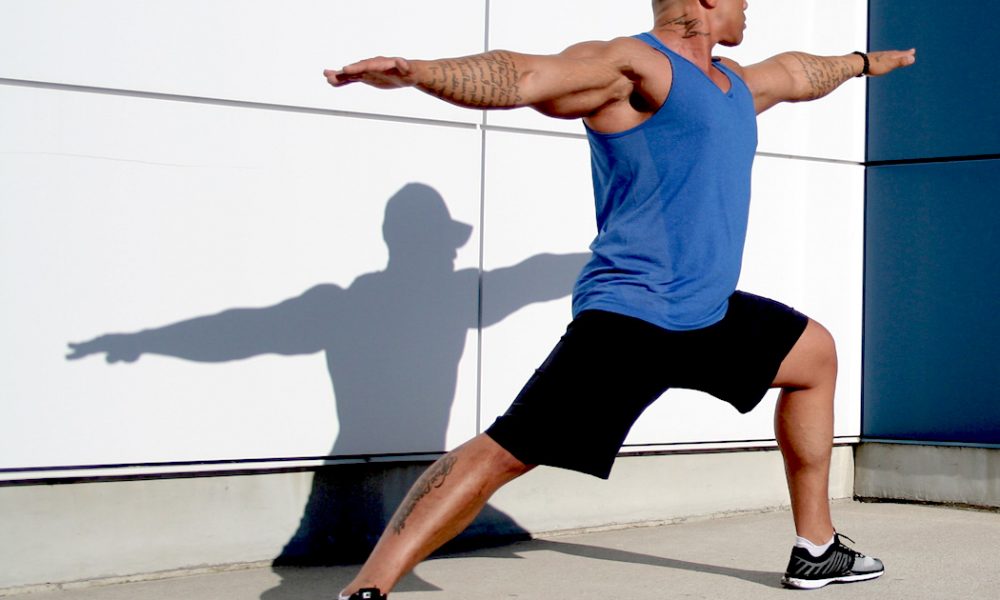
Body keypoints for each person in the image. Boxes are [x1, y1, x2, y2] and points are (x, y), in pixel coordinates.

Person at [323, 1, 916, 597]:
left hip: (707, 313)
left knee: (813, 354)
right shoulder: (634, 67)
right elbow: (527, 75)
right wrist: (420, 73)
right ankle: (367, 589)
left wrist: (862, 62)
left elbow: (796, 73)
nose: (750, 5)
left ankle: (816, 548)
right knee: (505, 452)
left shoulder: (733, 85)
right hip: (634, 317)